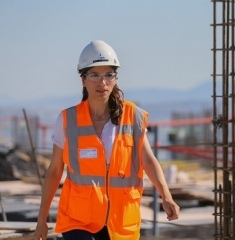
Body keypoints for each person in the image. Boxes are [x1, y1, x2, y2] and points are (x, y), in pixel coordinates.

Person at [33, 40, 180, 240]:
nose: (102, 83)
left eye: (108, 75)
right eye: (94, 75)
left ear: (115, 78)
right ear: (83, 79)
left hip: (121, 223)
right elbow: (55, 170)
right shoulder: (68, 120)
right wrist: (42, 219)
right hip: (79, 221)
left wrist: (166, 196)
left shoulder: (132, 116)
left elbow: (148, 160)